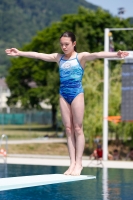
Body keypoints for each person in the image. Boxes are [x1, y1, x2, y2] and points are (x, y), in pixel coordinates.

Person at [5, 31, 129, 176]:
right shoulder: (59, 58)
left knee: (78, 128)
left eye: (66, 44)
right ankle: (71, 164)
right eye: (62, 44)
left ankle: (79, 163)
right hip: (63, 94)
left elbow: (97, 54)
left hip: (77, 93)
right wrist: (20, 53)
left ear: (74, 44)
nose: (63, 47)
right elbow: (38, 55)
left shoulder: (80, 57)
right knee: (68, 129)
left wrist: (115, 55)